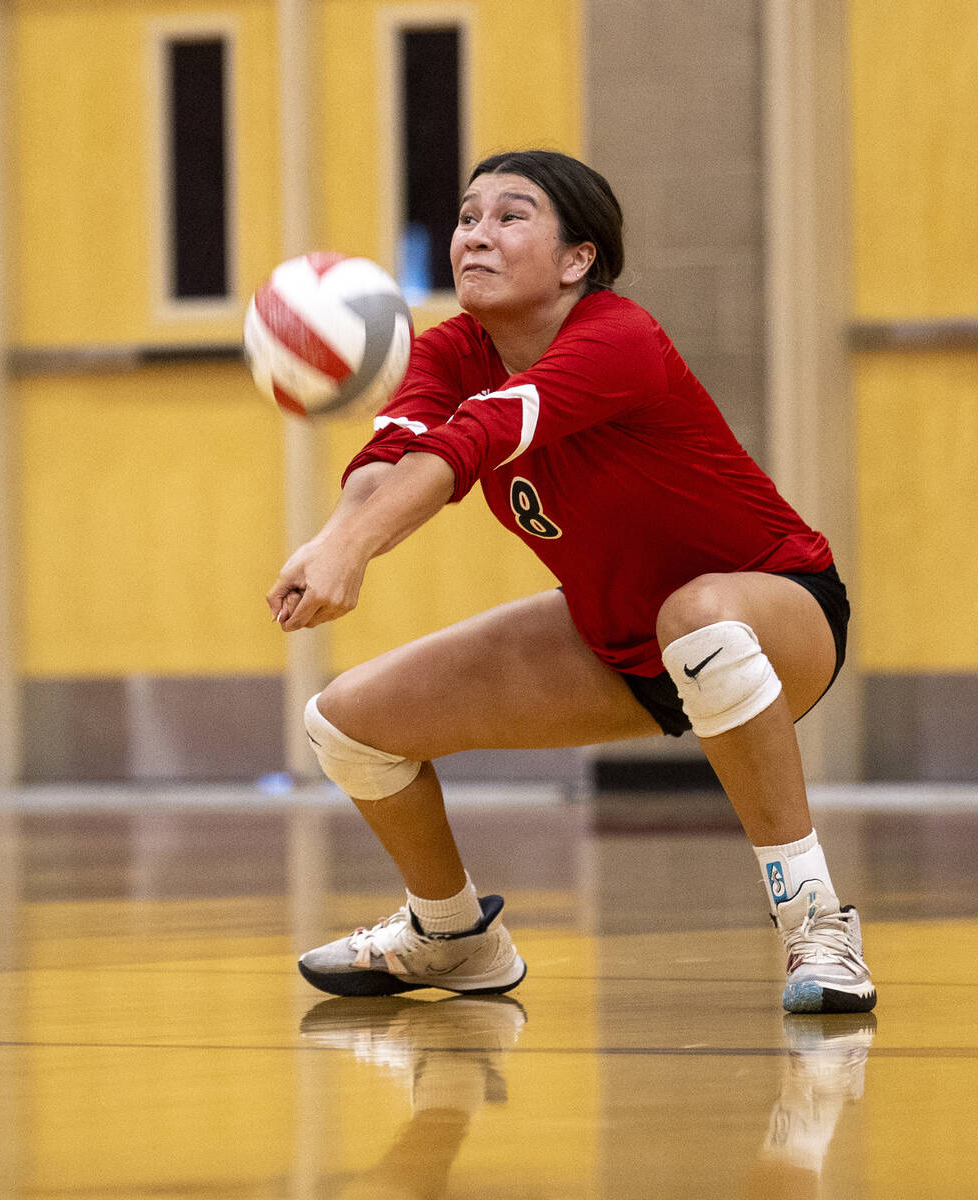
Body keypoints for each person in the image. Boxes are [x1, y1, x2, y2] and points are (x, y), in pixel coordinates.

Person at [266, 149, 876, 1015]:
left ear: (576, 259)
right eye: (468, 217)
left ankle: (815, 926)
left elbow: (476, 438)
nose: (476, 234)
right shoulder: (447, 350)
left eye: (510, 217)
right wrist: (335, 538)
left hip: (777, 610)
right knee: (346, 725)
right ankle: (450, 936)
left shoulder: (618, 337)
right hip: (614, 636)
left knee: (697, 618)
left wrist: (354, 554)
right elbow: (388, 463)